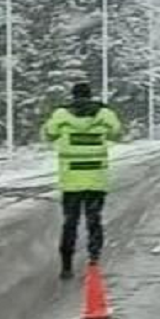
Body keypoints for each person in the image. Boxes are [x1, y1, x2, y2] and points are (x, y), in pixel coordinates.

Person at [43, 82, 123, 279]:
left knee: (70, 222)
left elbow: (49, 134)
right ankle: (94, 257)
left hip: (71, 178)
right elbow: (117, 132)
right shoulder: (104, 114)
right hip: (96, 177)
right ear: (90, 95)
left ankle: (66, 265)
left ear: (73, 95)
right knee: (94, 219)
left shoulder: (61, 114)